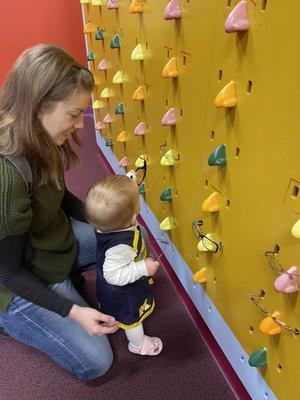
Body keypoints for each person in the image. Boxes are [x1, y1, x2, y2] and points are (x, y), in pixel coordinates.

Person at [0, 44, 119, 380]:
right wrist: (74, 311)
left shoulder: (43, 136)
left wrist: (100, 219)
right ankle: (11, 321)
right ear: (40, 107)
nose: (80, 125)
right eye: (72, 114)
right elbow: (8, 273)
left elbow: (55, 192)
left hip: (48, 245)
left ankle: (65, 280)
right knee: (96, 363)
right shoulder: (6, 178)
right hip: (15, 278)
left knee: (118, 237)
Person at [85, 174, 163, 356]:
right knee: (132, 320)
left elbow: (115, 205)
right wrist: (144, 268)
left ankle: (113, 318)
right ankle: (138, 345)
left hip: (111, 288)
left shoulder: (107, 223)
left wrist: (128, 182)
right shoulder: (120, 246)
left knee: (117, 312)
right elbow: (114, 275)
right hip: (123, 294)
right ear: (133, 215)